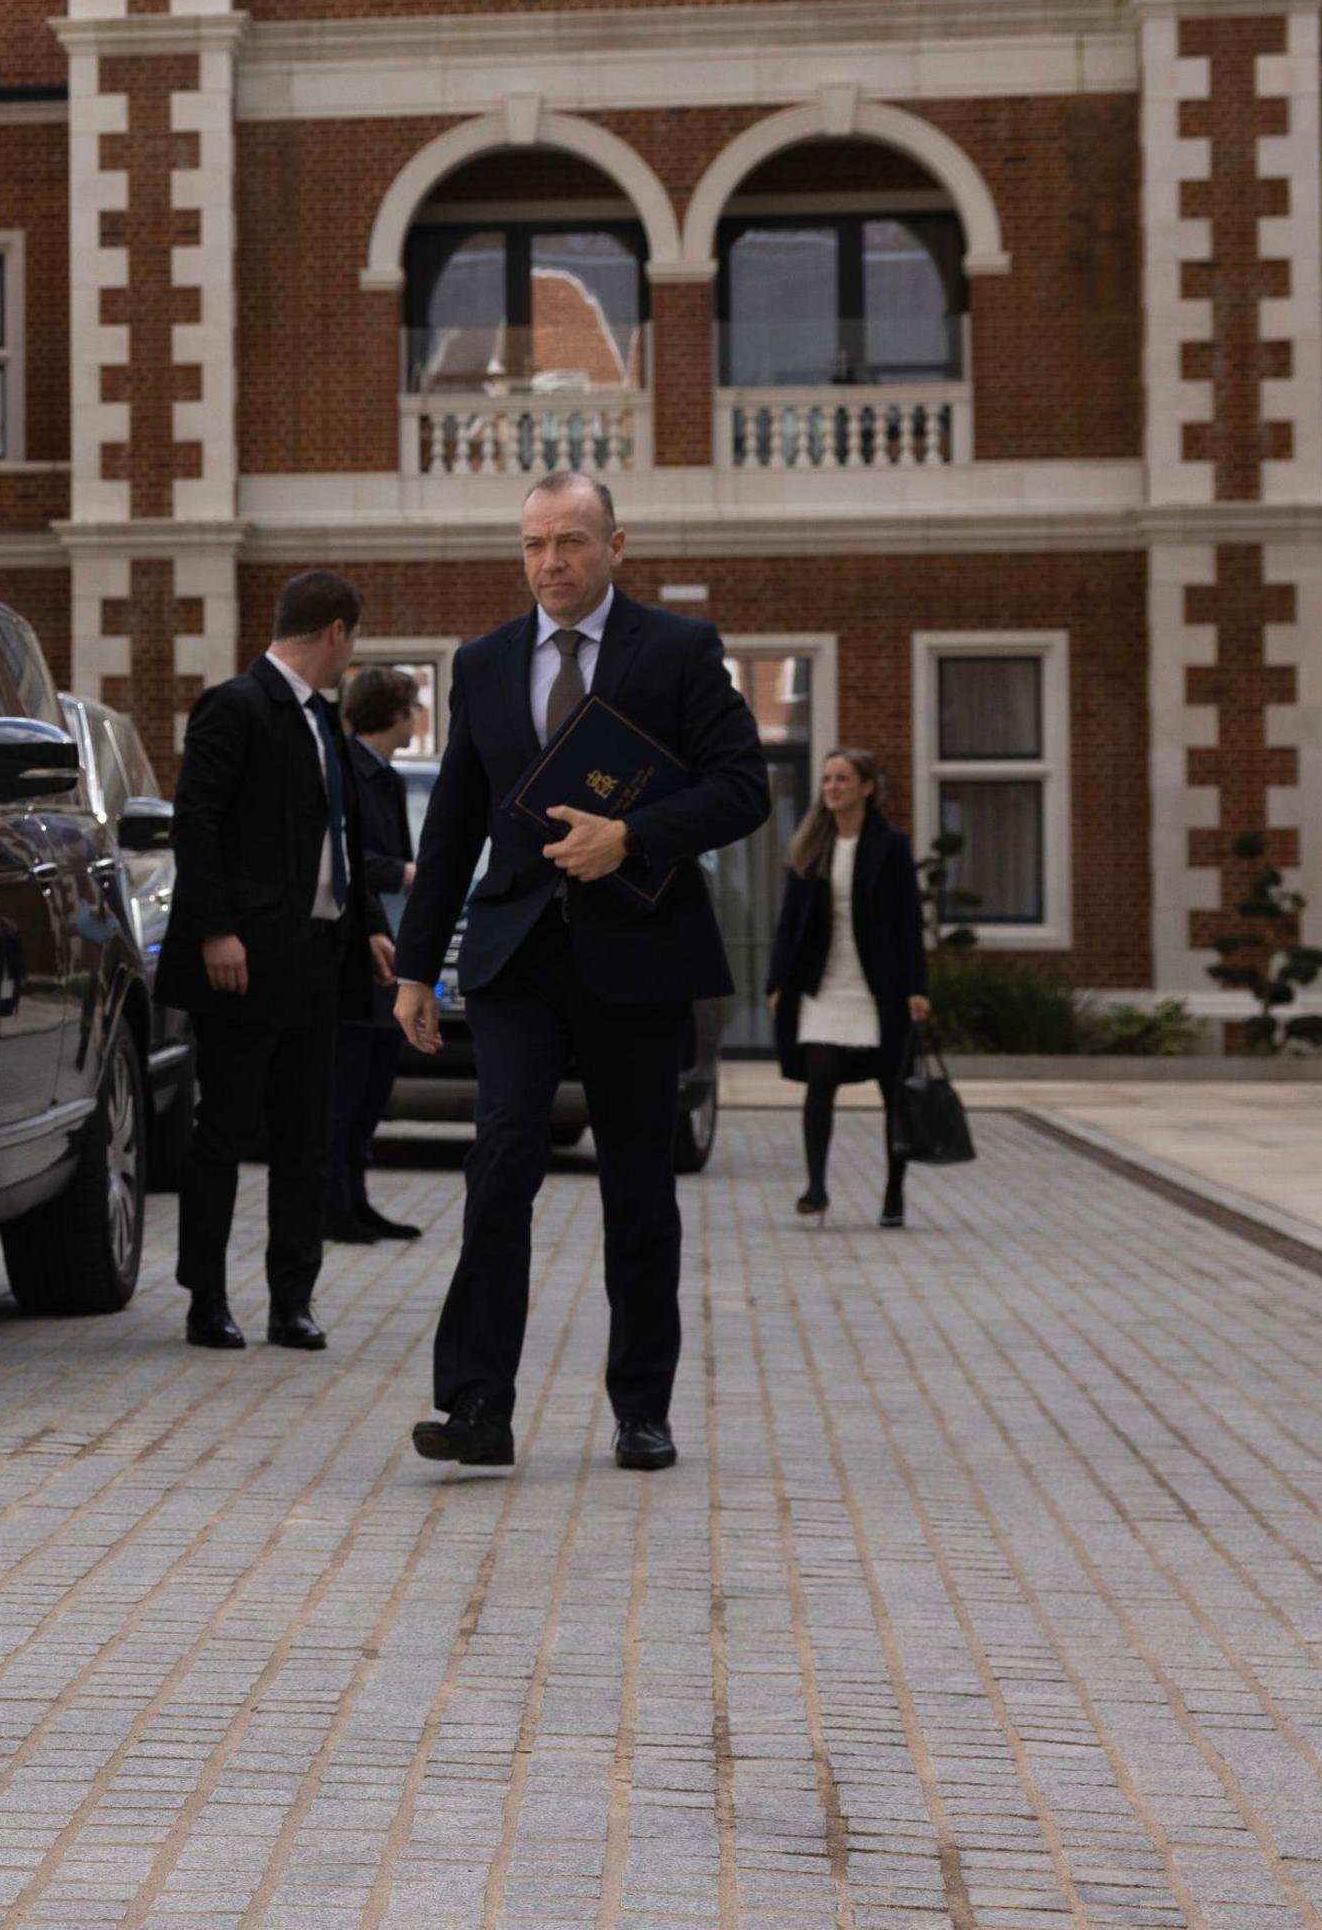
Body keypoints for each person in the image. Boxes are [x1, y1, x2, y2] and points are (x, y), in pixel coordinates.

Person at [392, 473, 768, 1474]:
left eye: (569, 541)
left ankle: (642, 1407)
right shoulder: (483, 661)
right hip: (517, 954)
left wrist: (632, 836)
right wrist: (417, 969)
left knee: (639, 1184)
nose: (550, 561)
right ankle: (477, 1403)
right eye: (532, 544)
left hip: (639, 955)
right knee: (500, 1166)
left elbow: (744, 788)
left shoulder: (682, 651)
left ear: (615, 545)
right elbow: (455, 819)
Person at [158, 571, 385, 1355]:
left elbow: (344, 844)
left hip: (317, 960)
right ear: (335, 632)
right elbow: (197, 822)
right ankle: (206, 1298)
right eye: (353, 638)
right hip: (244, 963)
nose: (352, 652)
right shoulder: (237, 705)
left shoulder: (326, 723)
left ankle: (294, 1299)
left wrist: (373, 928)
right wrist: (215, 929)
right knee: (221, 1133)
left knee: (305, 1136)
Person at [767, 748, 929, 1227]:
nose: (831, 787)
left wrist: (917, 987)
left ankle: (894, 1194)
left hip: (879, 986)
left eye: (841, 779)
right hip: (822, 984)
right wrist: (778, 982)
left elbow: (908, 920)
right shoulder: (810, 844)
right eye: (826, 779)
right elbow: (789, 921)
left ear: (866, 787)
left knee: (892, 1091)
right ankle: (816, 1188)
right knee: (820, 1081)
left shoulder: (891, 844)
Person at [328, 665, 424, 1244]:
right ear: (392, 713)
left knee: (373, 1087)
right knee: (347, 1086)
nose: (418, 718)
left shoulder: (387, 776)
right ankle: (332, 1205)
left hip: (392, 945)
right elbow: (342, 853)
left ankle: (356, 1200)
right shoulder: (348, 770)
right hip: (357, 947)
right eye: (414, 707)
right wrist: (404, 871)